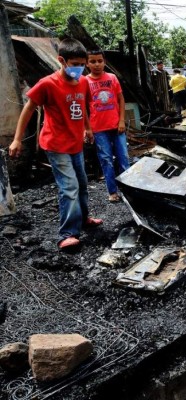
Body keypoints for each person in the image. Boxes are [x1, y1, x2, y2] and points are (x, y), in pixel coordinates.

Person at [8, 38, 102, 250]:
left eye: (82, 64)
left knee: (82, 183)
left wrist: (87, 128)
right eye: (74, 64)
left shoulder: (84, 82)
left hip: (75, 143)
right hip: (55, 144)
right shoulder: (48, 84)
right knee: (69, 187)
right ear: (61, 60)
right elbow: (29, 108)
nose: (79, 68)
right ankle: (67, 233)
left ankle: (83, 218)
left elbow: (82, 106)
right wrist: (16, 139)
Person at [86, 48, 129, 203]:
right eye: (93, 61)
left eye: (100, 61)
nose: (97, 64)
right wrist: (87, 128)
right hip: (98, 129)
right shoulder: (85, 82)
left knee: (123, 158)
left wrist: (122, 120)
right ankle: (112, 191)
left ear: (104, 62)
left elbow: (121, 100)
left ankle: (129, 190)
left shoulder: (112, 78)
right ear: (87, 63)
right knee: (106, 159)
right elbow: (84, 106)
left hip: (117, 126)